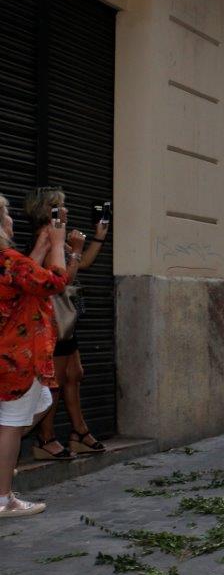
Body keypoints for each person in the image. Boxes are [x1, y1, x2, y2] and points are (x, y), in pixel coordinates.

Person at [0, 193, 77, 517]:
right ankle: (4, 498)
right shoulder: (8, 259)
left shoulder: (11, 262)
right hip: (19, 357)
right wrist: (59, 244)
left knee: (39, 404)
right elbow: (54, 282)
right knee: (13, 423)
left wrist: (44, 245)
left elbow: (23, 279)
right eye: (7, 214)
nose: (12, 219)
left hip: (11, 354)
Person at [26, 187, 111, 459]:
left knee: (74, 374)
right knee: (57, 381)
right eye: (60, 207)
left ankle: (78, 432)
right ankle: (46, 438)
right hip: (53, 322)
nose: (66, 211)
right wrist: (74, 250)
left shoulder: (57, 236)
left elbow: (82, 263)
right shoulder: (46, 238)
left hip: (65, 322)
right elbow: (63, 280)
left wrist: (98, 237)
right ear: (48, 210)